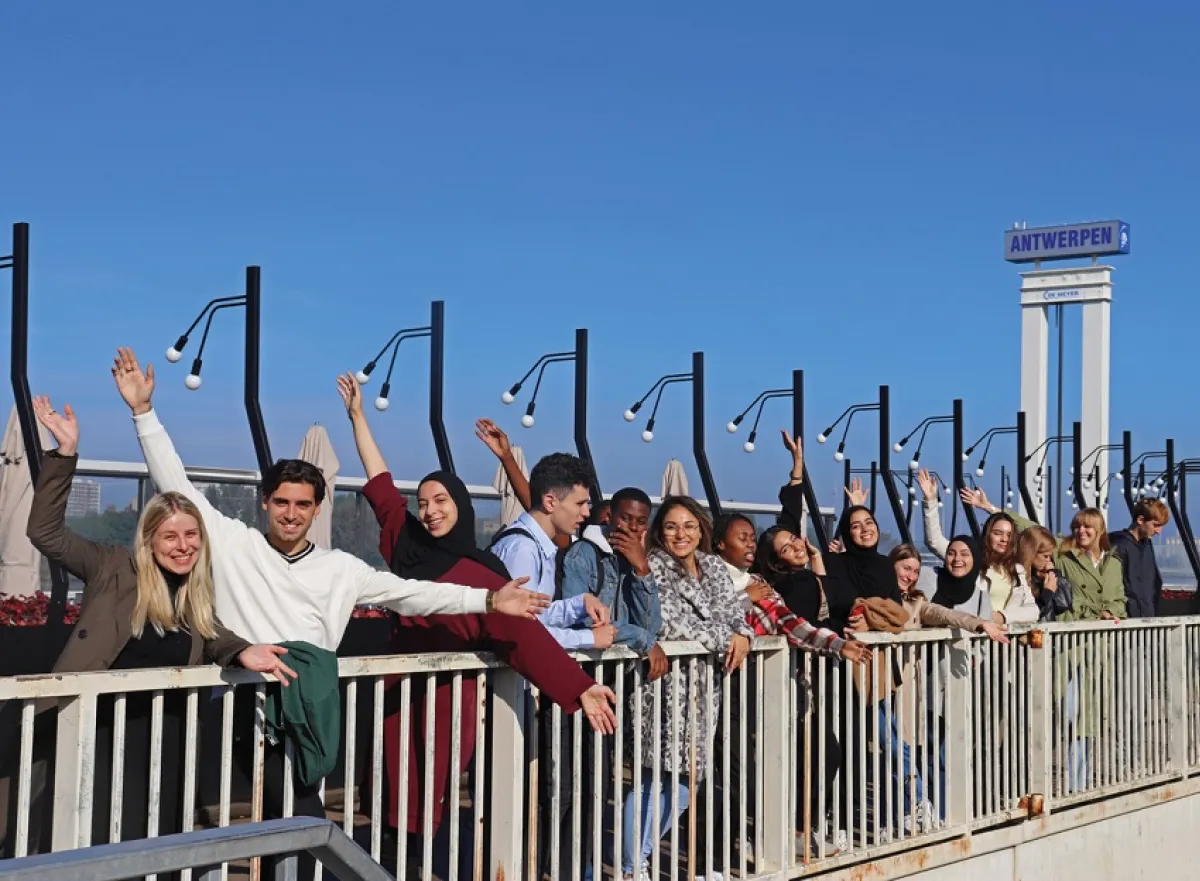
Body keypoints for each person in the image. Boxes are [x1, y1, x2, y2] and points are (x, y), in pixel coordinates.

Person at [111, 347, 548, 881]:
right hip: (237, 704)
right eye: (281, 503)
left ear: (318, 510)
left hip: (308, 707)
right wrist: (144, 413)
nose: (291, 514)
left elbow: (414, 593)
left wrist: (486, 599)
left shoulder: (343, 569)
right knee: (234, 821)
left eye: (302, 505)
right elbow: (174, 484)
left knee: (295, 821)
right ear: (264, 504)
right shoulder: (234, 543)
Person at [335, 375, 616, 875]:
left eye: (441, 500)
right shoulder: (407, 545)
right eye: (423, 502)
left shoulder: (484, 574)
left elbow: (522, 636)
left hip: (447, 704)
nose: (430, 510)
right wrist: (358, 417)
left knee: (427, 807)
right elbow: (379, 483)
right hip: (397, 697)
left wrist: (579, 687)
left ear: (461, 506)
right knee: (386, 803)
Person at [0, 396, 292, 864]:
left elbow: (213, 632)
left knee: (155, 839)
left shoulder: (196, 589)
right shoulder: (113, 568)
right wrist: (65, 454)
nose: (183, 546)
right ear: (149, 538)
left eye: (191, 535)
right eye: (171, 536)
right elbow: (45, 533)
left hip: (165, 736)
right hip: (95, 734)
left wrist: (243, 652)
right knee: (89, 839)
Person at [488, 451, 610, 880]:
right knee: (524, 795)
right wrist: (584, 637)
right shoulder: (521, 549)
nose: (587, 512)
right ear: (551, 502)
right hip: (511, 693)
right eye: (581, 504)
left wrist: (576, 606)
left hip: (525, 691)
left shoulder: (534, 545)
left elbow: (535, 616)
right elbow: (519, 632)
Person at [624, 496, 754, 881]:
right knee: (654, 779)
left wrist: (743, 633)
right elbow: (671, 624)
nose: (681, 534)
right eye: (671, 527)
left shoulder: (713, 566)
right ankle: (634, 864)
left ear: (701, 530)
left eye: (689, 526)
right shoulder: (654, 567)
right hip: (663, 691)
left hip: (703, 690)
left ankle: (638, 854)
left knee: (686, 783)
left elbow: (735, 611)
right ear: (660, 533)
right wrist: (727, 636)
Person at [916, 470, 1037, 625]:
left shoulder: (1017, 570)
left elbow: (1033, 611)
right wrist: (930, 501)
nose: (1004, 539)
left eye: (1009, 535)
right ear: (987, 534)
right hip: (974, 635)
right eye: (998, 533)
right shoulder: (971, 560)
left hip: (1005, 643)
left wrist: (1002, 617)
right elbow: (934, 541)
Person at [1109, 498, 1169, 618]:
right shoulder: (1118, 544)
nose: (1158, 531)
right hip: (1126, 618)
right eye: (1156, 525)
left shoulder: (1147, 544)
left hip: (1147, 616)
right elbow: (1111, 585)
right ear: (1140, 520)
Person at [1016, 527, 1075, 622]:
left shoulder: (1040, 577)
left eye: (1050, 556)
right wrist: (1047, 592)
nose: (1048, 560)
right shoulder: (1016, 575)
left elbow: (1063, 604)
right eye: (1045, 556)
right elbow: (1030, 615)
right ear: (1031, 553)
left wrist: (1055, 576)